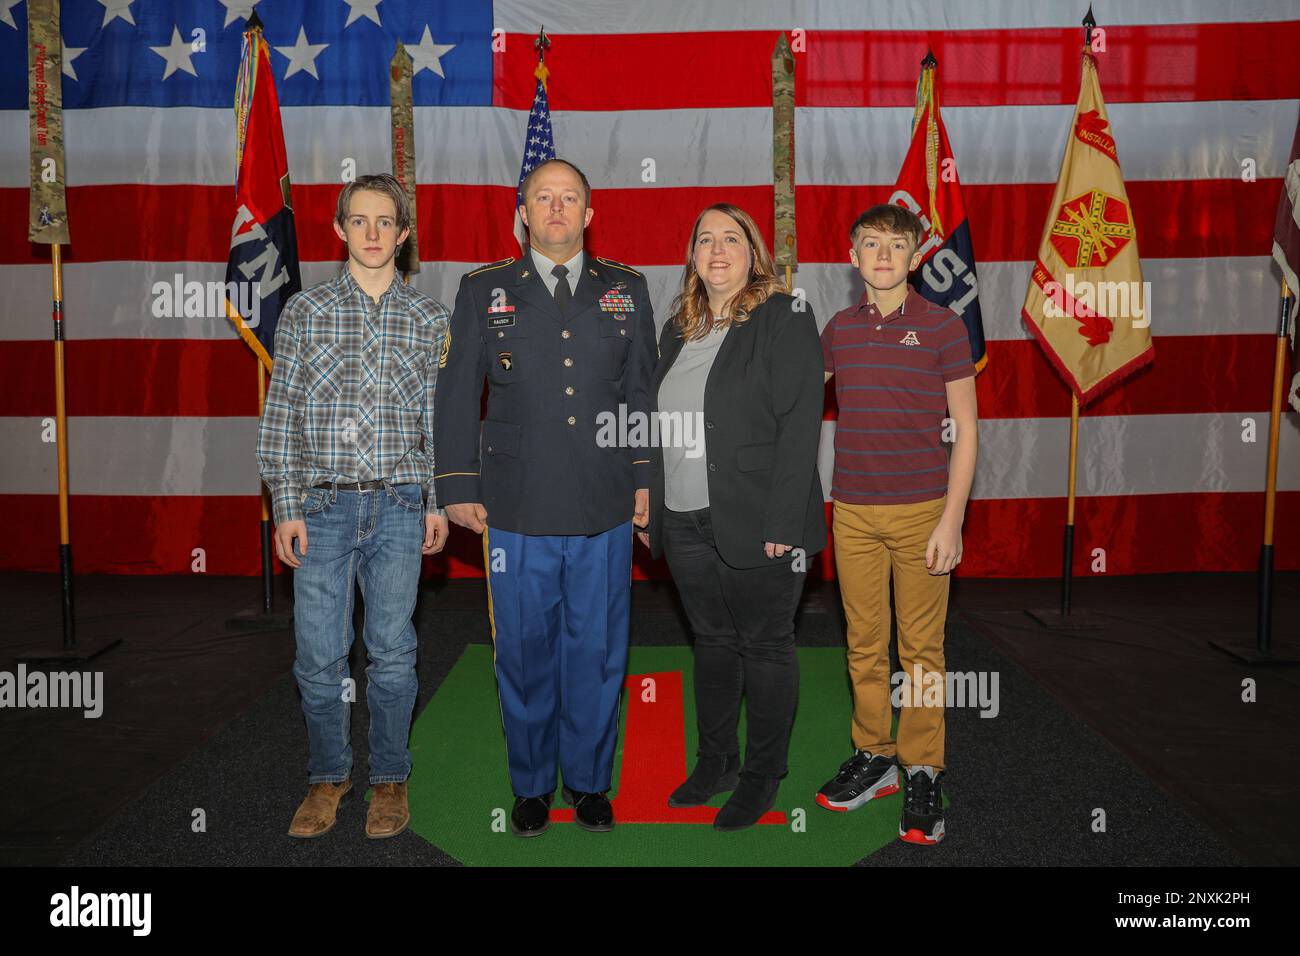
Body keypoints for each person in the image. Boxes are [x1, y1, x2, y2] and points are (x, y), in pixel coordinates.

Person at [432, 158, 657, 837]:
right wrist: (457, 486)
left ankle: (589, 782)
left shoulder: (628, 288)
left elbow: (641, 391)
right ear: (523, 212)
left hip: (604, 503)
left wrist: (646, 478)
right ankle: (530, 784)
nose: (556, 208)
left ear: (590, 214)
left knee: (598, 650)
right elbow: (453, 394)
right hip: (515, 505)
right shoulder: (484, 290)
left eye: (570, 199)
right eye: (543, 197)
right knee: (524, 649)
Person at [256, 173, 450, 840]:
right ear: (339, 230)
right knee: (319, 655)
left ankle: (390, 777)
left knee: (393, 652)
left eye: (385, 222)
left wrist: (436, 501)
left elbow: (438, 423)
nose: (372, 233)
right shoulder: (306, 314)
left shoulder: (431, 320)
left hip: (400, 506)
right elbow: (281, 418)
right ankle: (327, 776)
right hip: (322, 507)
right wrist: (287, 504)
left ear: (403, 234)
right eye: (358, 221)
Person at [642, 203, 826, 831]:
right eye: (704, 240)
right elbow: (653, 424)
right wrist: (646, 497)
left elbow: (801, 427)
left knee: (766, 645)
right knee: (713, 644)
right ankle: (717, 760)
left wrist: (782, 523)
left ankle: (761, 776)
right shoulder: (678, 327)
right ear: (692, 255)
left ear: (754, 253)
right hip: (684, 514)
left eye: (731, 238)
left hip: (760, 519)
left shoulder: (785, 315)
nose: (716, 250)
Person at [816, 203, 978, 845]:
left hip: (922, 514)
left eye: (896, 246)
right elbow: (795, 396)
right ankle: (876, 756)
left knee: (922, 652)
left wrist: (952, 519)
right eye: (871, 245)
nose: (883, 256)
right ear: (853, 257)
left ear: (916, 257)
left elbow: (966, 431)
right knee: (863, 644)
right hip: (852, 512)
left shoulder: (943, 328)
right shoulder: (837, 328)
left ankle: (924, 770)